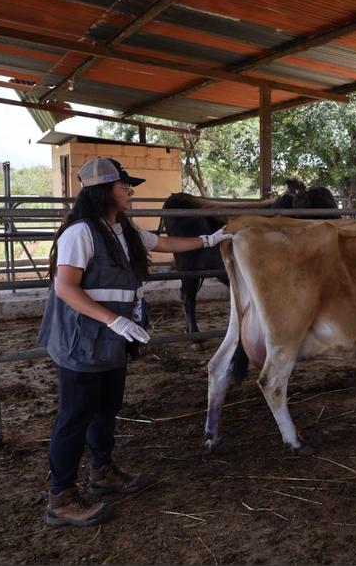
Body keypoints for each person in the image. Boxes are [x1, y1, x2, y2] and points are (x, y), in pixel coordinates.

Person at [37, 157, 233, 527]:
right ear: (102, 190)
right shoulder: (80, 233)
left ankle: (102, 473)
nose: (130, 190)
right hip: (81, 336)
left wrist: (210, 239)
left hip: (110, 337)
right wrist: (113, 318)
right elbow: (64, 288)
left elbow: (162, 241)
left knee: (106, 407)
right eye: (124, 184)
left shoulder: (120, 229)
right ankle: (60, 498)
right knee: (74, 415)